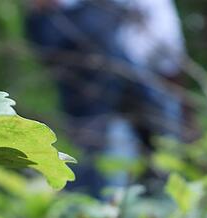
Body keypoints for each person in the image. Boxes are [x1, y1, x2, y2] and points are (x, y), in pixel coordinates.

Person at [26, 0, 185, 196]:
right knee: (108, 185)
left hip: (139, 100)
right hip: (98, 117)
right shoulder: (48, 21)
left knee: (161, 176)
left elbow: (167, 47)